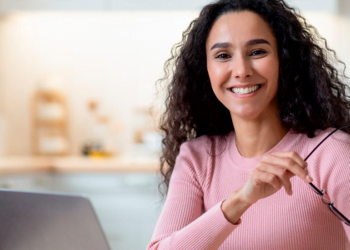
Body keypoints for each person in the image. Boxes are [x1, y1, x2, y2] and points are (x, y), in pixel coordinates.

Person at [147, 0, 350, 249]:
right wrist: (241, 200)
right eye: (223, 56)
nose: (241, 71)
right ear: (206, 69)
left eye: (257, 52)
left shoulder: (332, 153)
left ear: (283, 60)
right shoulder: (197, 158)